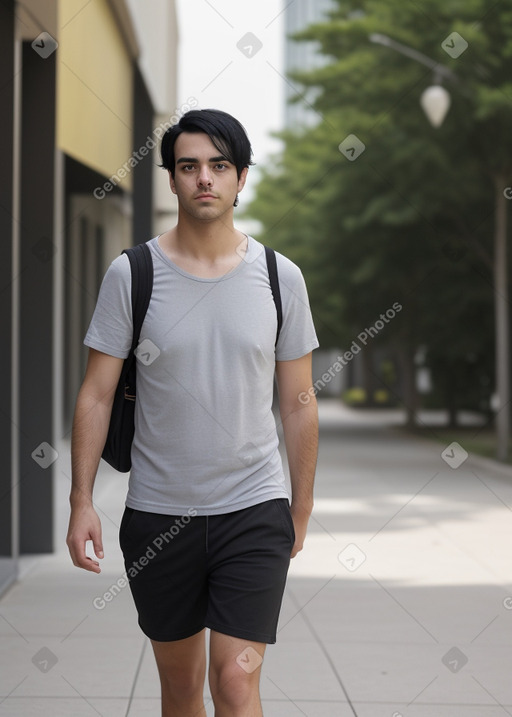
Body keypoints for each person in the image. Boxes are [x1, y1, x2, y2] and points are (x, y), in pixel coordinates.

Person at [66, 108, 319, 717]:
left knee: (235, 682)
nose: (204, 178)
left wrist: (300, 508)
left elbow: (299, 403)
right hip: (159, 516)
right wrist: (81, 501)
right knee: (181, 689)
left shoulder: (279, 277)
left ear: (240, 178)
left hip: (253, 511)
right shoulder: (133, 274)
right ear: (172, 179)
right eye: (189, 166)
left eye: (219, 166)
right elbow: (96, 394)